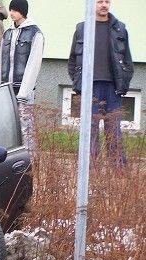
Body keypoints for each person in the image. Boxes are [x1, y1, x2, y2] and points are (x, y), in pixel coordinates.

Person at [68, 0, 133, 166]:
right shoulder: (82, 29)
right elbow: (73, 61)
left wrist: (124, 83)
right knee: (91, 132)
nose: (104, 5)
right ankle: (91, 170)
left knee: (114, 132)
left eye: (107, 1)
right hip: (91, 88)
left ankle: (117, 174)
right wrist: (78, 83)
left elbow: (127, 61)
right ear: (92, 4)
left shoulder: (120, 28)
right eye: (99, 1)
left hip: (113, 88)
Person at [0, 0, 44, 151]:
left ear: (23, 11)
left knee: (26, 128)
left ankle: (30, 159)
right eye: (10, 10)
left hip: (23, 90)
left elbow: (34, 64)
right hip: (6, 89)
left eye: (15, 10)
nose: (11, 13)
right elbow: (0, 62)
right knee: (6, 126)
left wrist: (24, 92)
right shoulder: (7, 33)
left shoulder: (35, 33)